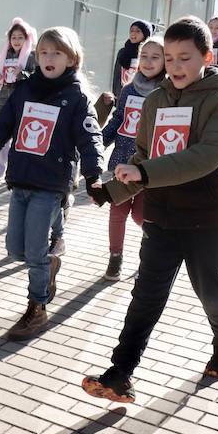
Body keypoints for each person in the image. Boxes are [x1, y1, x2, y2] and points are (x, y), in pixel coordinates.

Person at [81, 17, 218, 403]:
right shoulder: (155, 101)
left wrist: (144, 172)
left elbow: (205, 156)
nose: (175, 66)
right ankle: (120, 373)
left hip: (206, 217)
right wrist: (112, 190)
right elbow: (141, 156)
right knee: (146, 295)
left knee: (210, 289)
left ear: (207, 56)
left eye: (185, 57)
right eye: (169, 58)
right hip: (162, 215)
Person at [0, 27, 104, 341]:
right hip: (21, 180)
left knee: (33, 253)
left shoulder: (76, 96)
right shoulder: (24, 90)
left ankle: (37, 307)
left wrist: (94, 175)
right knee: (15, 249)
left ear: (72, 59)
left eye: (57, 53)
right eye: (44, 52)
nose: (49, 58)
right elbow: (0, 129)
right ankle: (50, 259)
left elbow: (90, 138)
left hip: (51, 183)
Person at [98, 36, 164, 280]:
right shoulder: (128, 89)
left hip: (147, 168)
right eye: (144, 56)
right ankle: (115, 258)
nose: (147, 62)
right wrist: (99, 143)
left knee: (140, 215)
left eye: (155, 57)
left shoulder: (166, 92)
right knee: (117, 212)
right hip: (120, 163)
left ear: (165, 61)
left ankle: (152, 254)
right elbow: (117, 121)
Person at [0, 18, 37, 180]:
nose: (16, 41)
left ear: (26, 38)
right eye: (13, 37)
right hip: (4, 102)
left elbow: (37, 77)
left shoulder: (32, 56)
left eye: (20, 37)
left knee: (20, 140)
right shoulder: (5, 54)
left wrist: (21, 74)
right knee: (1, 138)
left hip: (23, 104)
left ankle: (15, 172)